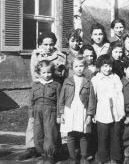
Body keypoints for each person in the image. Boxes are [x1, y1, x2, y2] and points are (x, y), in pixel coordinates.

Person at [17, 31, 66, 161]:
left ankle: (53, 150)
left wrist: (50, 65)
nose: (48, 47)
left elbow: (61, 74)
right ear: (40, 44)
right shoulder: (36, 54)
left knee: (51, 127)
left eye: (51, 44)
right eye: (45, 44)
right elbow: (35, 75)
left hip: (52, 92)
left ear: (54, 44)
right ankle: (32, 148)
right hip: (39, 91)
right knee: (34, 123)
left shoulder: (60, 56)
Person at [59, 56, 95, 164]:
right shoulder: (67, 80)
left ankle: (84, 157)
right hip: (70, 109)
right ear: (72, 67)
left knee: (83, 134)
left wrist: (89, 114)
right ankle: (72, 158)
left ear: (85, 67)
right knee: (70, 134)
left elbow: (91, 100)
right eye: (76, 66)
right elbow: (61, 98)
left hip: (82, 109)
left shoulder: (88, 82)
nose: (79, 68)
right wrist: (61, 113)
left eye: (81, 66)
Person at [90, 54, 125, 164]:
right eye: (105, 66)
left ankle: (115, 157)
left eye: (109, 66)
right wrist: (93, 113)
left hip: (115, 110)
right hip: (102, 110)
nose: (107, 69)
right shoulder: (95, 79)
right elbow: (93, 97)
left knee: (115, 135)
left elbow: (120, 94)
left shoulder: (115, 77)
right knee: (103, 136)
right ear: (99, 66)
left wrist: (121, 110)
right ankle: (103, 158)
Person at [29, 60, 61, 164]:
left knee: (50, 133)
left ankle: (50, 156)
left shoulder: (56, 85)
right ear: (39, 73)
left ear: (52, 72)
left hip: (51, 111)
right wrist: (31, 115)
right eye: (44, 72)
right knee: (38, 133)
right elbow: (31, 101)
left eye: (49, 72)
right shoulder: (35, 84)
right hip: (37, 111)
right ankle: (43, 154)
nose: (46, 75)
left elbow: (60, 101)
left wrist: (59, 115)